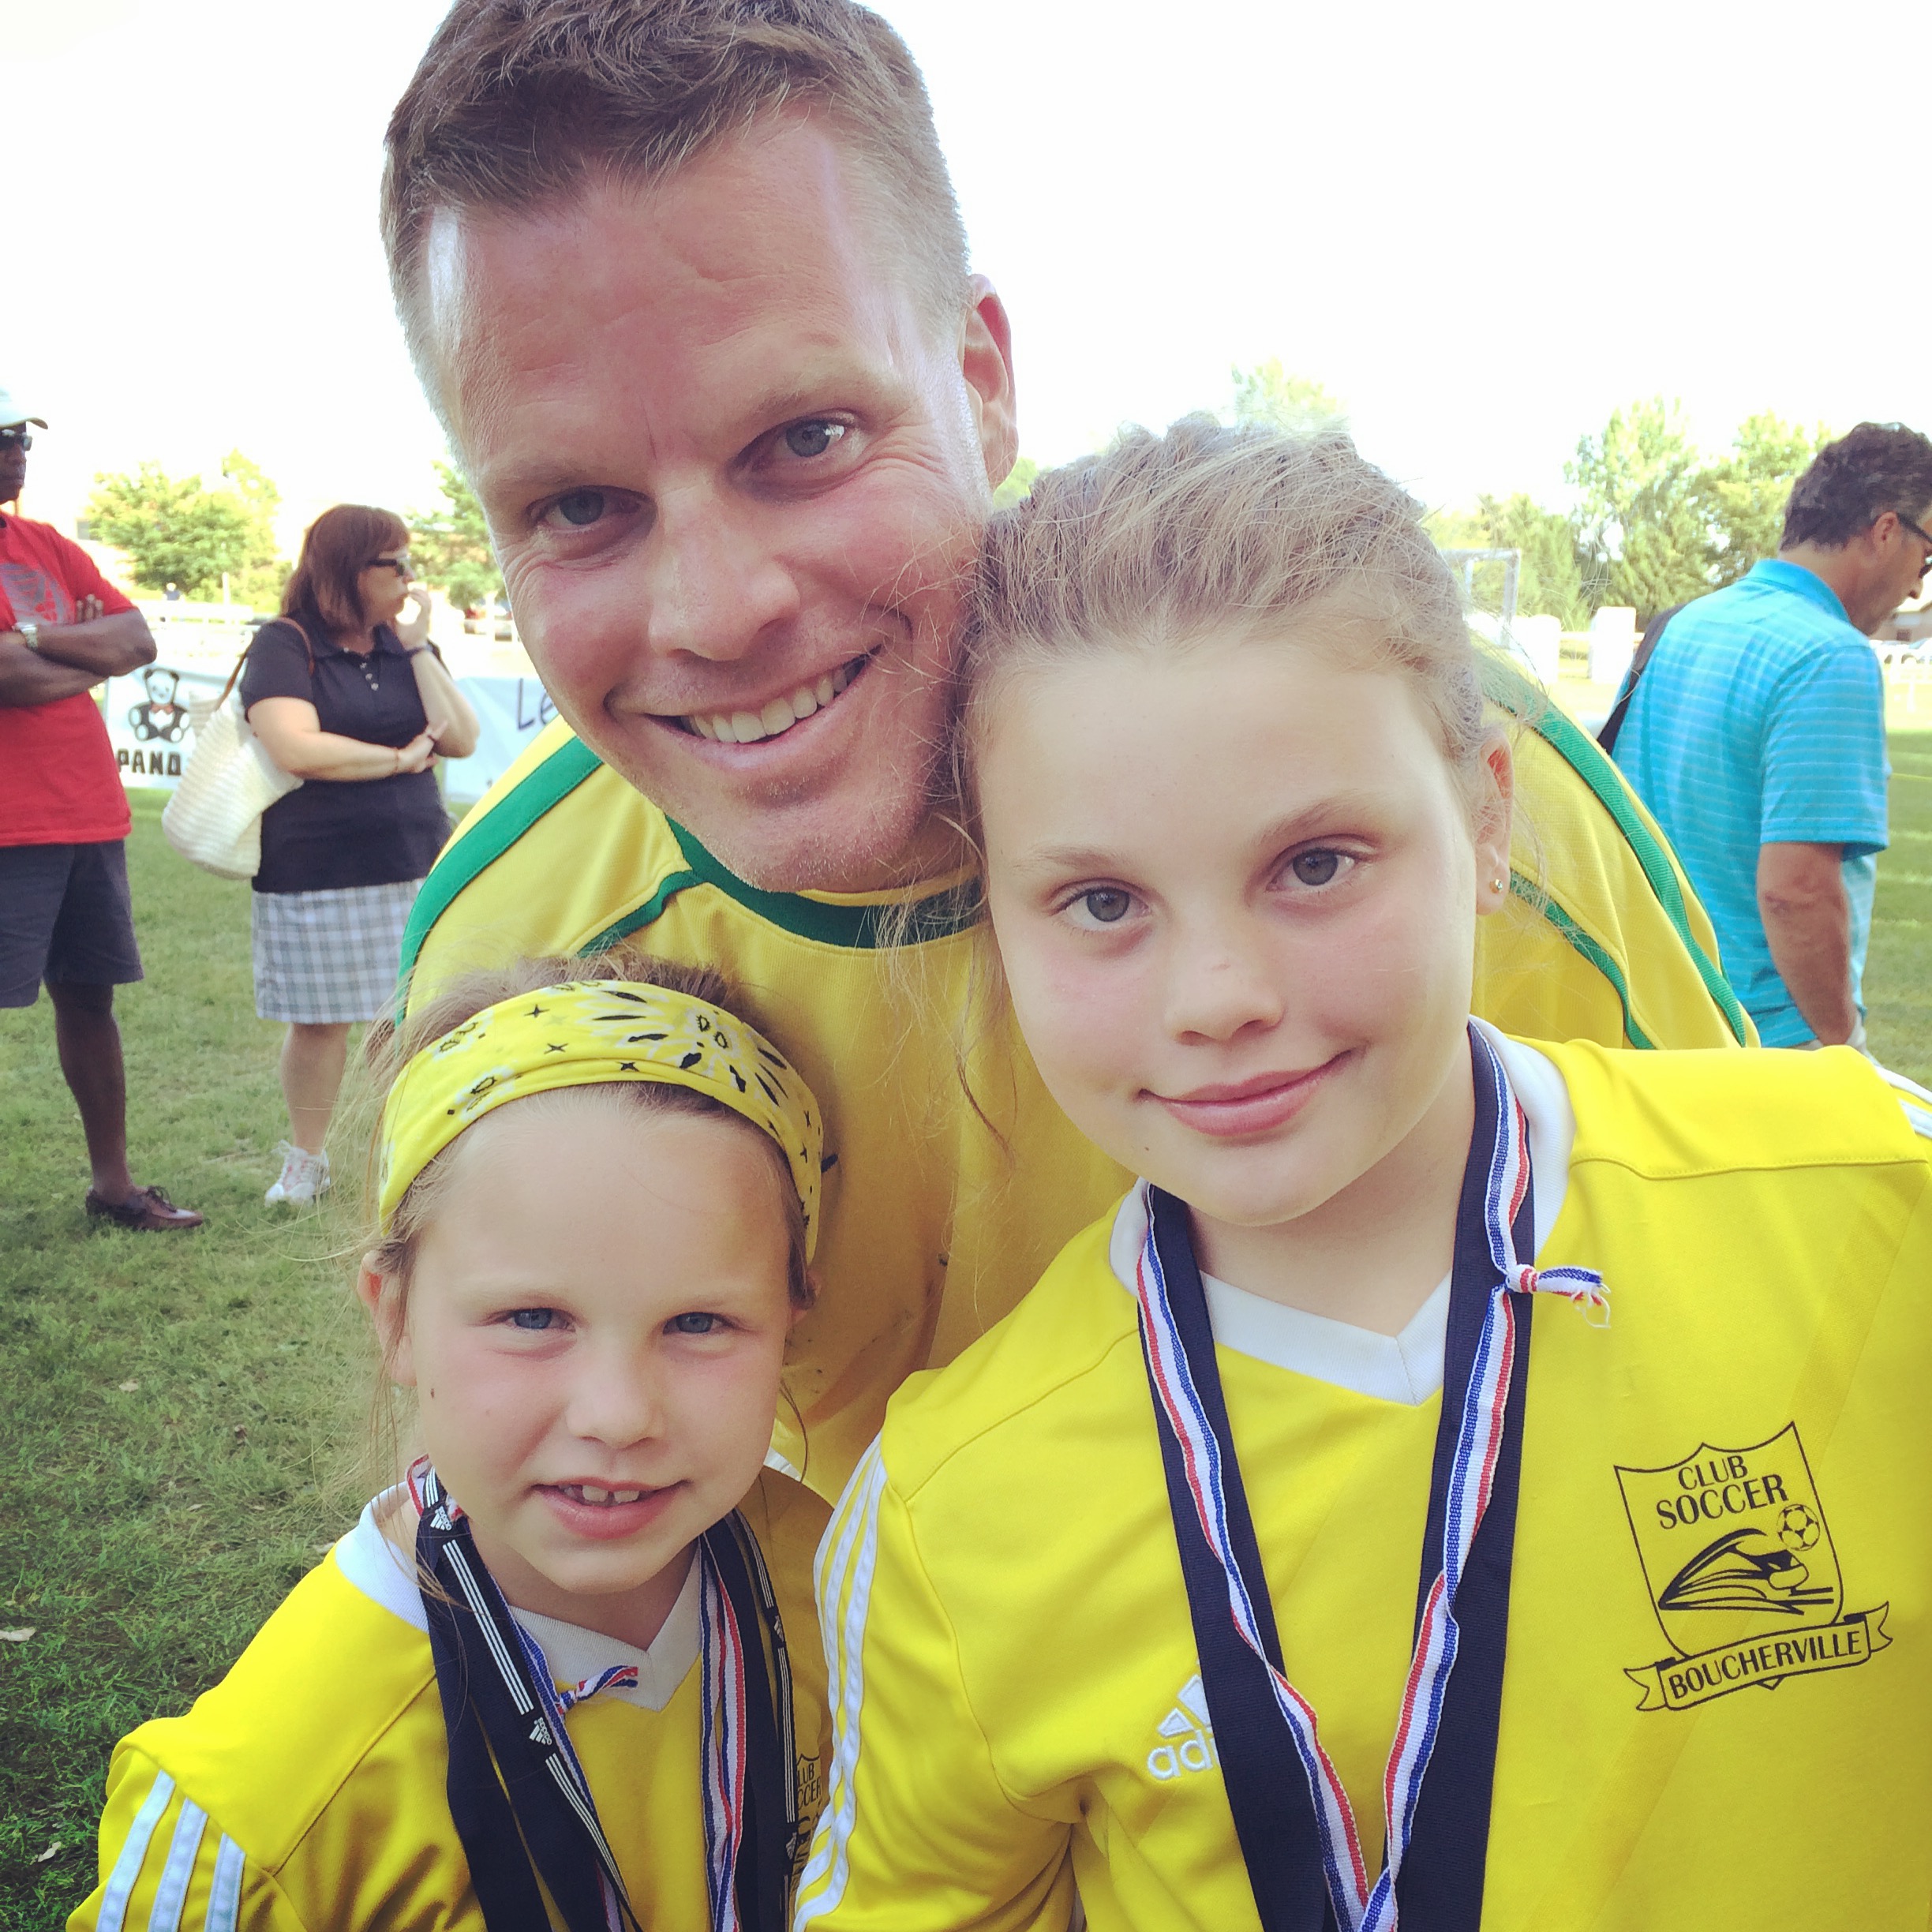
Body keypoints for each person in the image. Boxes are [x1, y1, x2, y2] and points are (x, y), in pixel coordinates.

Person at [381, 0, 1749, 1496]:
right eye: (576, 507)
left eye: (808, 438)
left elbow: (1730, 1318)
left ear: (978, 379)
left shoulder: (1432, 790)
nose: (715, 612)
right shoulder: (518, 950)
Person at [797, 421, 1932, 1932]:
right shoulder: (953, 1506)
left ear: (1482, 812)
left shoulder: (1865, 1192)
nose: (1216, 993)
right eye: (1098, 899)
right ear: (991, 904)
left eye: (1315, 862)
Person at [69, 950, 829, 1931]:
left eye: (700, 1324)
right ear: (395, 1320)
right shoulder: (268, 1813)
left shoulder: (849, 1583)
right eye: (532, 1317)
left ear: (790, 1324)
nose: (617, 1415)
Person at [1612, 421, 1932, 1048]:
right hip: (1764, 1041)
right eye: (1929, 558)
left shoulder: (1684, 624)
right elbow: (1795, 891)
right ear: (1888, 530)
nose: (1920, 586)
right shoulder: (1828, 656)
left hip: (1655, 1017)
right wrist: (1842, 1042)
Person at [0, 384, 203, 1232]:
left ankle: (113, 1187)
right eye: (2, 436)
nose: (18, 451)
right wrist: (88, 656)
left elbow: (138, 641)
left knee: (91, 1000)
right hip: (10, 828)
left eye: (22, 437)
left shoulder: (41, 544)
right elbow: (4, 677)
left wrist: (40, 641)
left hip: (86, 814)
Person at [241, 504, 479, 1205]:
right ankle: (305, 1162)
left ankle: (409, 1152)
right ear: (349, 570)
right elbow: (295, 746)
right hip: (315, 866)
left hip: (415, 856)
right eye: (394, 564)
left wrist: (415, 646)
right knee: (319, 1022)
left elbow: (461, 736)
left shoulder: (398, 647)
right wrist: (398, 759)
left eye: (411, 561)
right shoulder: (286, 643)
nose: (410, 577)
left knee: (414, 1015)